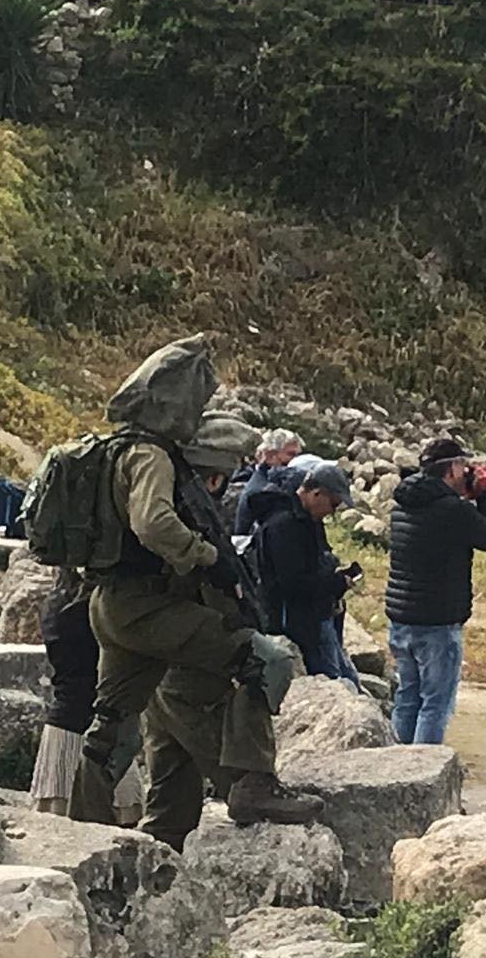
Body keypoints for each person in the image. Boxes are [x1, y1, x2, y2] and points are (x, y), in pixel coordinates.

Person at [69, 337, 321, 831]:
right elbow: (152, 523)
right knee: (265, 660)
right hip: (149, 607)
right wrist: (206, 557)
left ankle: (80, 829)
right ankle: (254, 785)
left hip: (110, 605)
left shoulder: (113, 450)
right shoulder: (152, 456)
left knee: (112, 724)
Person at [139, 413, 303, 850]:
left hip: (149, 644)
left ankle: (159, 864)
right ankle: (254, 782)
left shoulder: (157, 493)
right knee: (266, 661)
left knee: (171, 780)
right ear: (216, 475)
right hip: (183, 642)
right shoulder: (184, 509)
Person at [385, 439, 486, 744]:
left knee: (407, 697)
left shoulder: (403, 502)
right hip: (437, 621)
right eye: (463, 467)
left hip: (401, 616)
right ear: (452, 469)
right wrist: (484, 494)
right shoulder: (452, 510)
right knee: (435, 704)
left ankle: (395, 761)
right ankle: (423, 768)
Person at [29, 567, 143, 825]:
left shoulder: (55, 605)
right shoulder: (95, 610)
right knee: (120, 820)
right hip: (101, 726)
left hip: (63, 726)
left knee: (56, 824)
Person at [251, 462, 363, 685]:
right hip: (298, 623)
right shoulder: (284, 525)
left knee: (346, 679)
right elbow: (292, 583)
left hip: (318, 615)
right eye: (333, 504)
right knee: (333, 682)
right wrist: (336, 583)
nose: (332, 512)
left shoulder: (307, 519)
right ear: (316, 494)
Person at [233, 428, 305, 536]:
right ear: (270, 455)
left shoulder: (280, 484)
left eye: (298, 455)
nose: (297, 461)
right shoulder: (259, 491)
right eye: (291, 454)